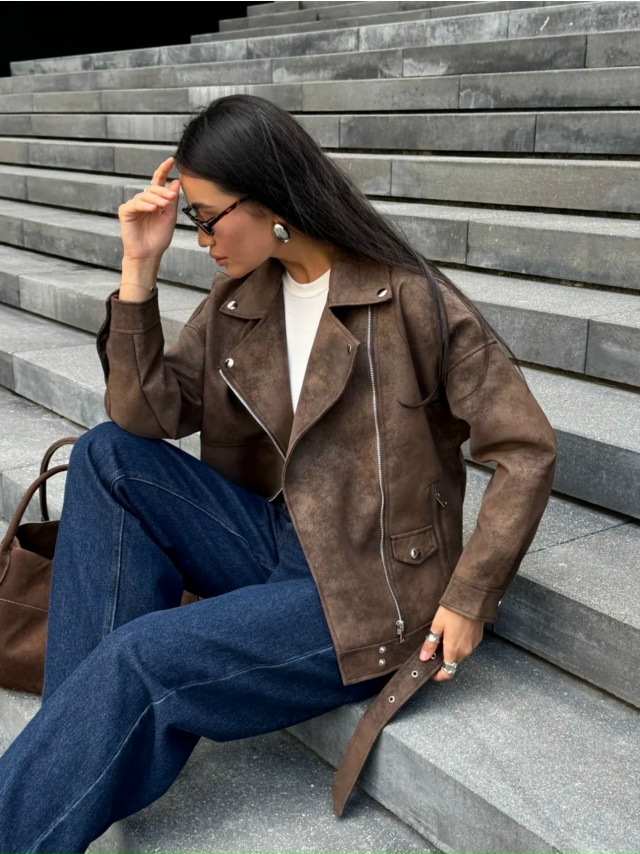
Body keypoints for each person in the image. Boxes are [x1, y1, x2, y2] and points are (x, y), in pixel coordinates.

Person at [0, 94, 557, 852]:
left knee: (143, 655)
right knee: (105, 453)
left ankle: (44, 787)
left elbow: (525, 448)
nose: (201, 240)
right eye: (192, 221)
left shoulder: (408, 298)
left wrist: (469, 596)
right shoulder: (244, 297)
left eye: (207, 218)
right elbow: (144, 414)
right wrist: (139, 266)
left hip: (369, 589)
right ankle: (69, 755)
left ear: (270, 200)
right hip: (274, 541)